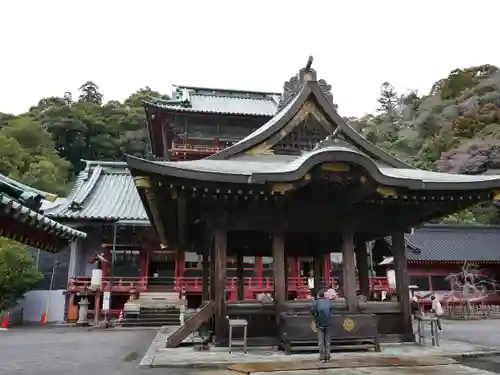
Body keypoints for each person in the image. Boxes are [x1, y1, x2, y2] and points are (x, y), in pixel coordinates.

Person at [311, 290, 332, 362]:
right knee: (327, 341)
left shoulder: (316, 302)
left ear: (318, 295)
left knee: (321, 341)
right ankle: (328, 356)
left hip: (320, 324)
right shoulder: (328, 302)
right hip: (328, 323)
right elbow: (330, 311)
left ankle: (322, 357)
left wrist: (315, 318)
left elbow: (313, 311)